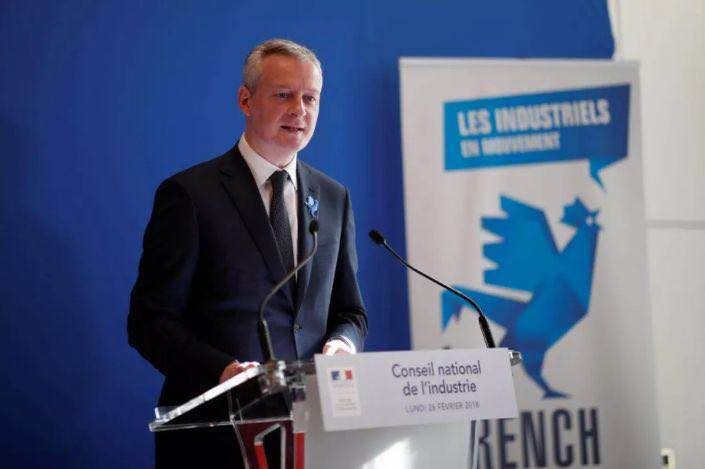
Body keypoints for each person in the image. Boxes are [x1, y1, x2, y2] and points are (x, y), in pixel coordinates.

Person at [128, 38, 367, 468]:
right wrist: (223, 373)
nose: (300, 109)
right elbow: (150, 322)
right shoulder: (190, 195)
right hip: (217, 436)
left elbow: (350, 312)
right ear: (245, 100)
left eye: (310, 98)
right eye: (284, 95)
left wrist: (341, 345)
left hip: (313, 437)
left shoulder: (334, 198)